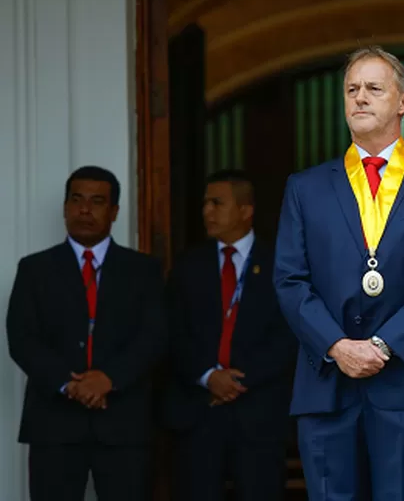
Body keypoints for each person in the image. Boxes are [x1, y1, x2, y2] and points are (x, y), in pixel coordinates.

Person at [273, 45, 404, 500]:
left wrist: (384, 345)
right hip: (326, 380)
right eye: (352, 89)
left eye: (373, 88)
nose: (360, 97)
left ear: (402, 101)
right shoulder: (305, 187)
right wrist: (337, 345)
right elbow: (289, 280)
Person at [5, 165, 167, 501]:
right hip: (54, 424)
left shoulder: (144, 270)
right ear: (65, 208)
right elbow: (21, 339)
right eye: (76, 200)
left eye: (96, 202)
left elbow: (154, 336)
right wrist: (70, 384)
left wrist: (109, 379)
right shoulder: (34, 269)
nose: (84, 210)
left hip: (123, 424)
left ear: (114, 211)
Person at [164, 169, 297, 500]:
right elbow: (171, 331)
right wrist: (209, 376)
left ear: (245, 209)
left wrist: (238, 379)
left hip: (259, 414)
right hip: (198, 412)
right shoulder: (187, 266)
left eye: (217, 203)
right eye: (205, 203)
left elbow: (290, 335)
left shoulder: (282, 264)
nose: (206, 211)